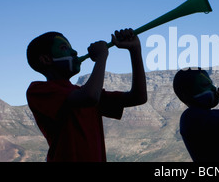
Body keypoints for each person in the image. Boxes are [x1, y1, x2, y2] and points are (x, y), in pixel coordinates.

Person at [26, 28, 147, 162]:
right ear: (46, 59)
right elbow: (90, 97)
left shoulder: (82, 91)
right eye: (64, 47)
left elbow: (138, 97)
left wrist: (135, 50)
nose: (74, 52)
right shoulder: (38, 90)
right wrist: (101, 57)